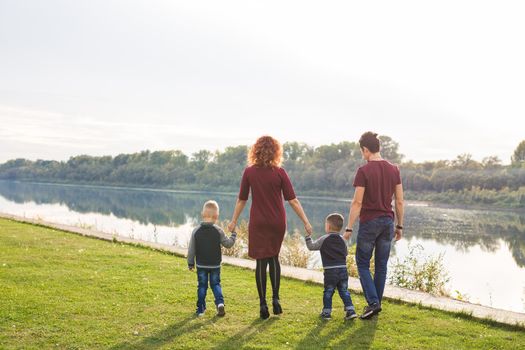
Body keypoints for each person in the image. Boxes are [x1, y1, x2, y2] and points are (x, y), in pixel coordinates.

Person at [228, 135, 313, 319]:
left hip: (258, 221)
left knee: (260, 261)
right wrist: (305, 221)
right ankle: (276, 299)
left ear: (255, 150)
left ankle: (262, 304)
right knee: (274, 258)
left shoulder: (249, 172)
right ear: (276, 151)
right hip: (277, 222)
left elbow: (242, 199)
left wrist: (234, 220)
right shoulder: (280, 173)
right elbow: (293, 200)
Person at [343, 131, 404, 319]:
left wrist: (349, 227)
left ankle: (373, 302)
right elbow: (400, 201)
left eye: (362, 151)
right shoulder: (394, 169)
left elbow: (357, 203)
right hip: (387, 222)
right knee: (381, 265)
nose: (363, 155)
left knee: (361, 263)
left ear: (366, 149)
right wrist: (399, 226)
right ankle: (375, 304)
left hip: (370, 222)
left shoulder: (364, 171)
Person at [187, 200, 237, 317]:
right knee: (215, 284)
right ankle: (220, 303)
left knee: (202, 286)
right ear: (216, 216)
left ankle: (200, 309)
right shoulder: (218, 230)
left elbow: (191, 249)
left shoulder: (196, 231)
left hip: (201, 265)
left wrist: (190, 263)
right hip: (215, 265)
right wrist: (234, 234)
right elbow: (228, 244)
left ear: (202, 214)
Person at [305, 213, 357, 321]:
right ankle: (350, 310)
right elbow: (346, 253)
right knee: (344, 291)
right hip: (343, 270)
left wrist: (308, 237)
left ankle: (327, 313)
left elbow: (311, 247)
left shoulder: (324, 239)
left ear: (328, 226)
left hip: (330, 272)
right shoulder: (343, 240)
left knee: (328, 291)